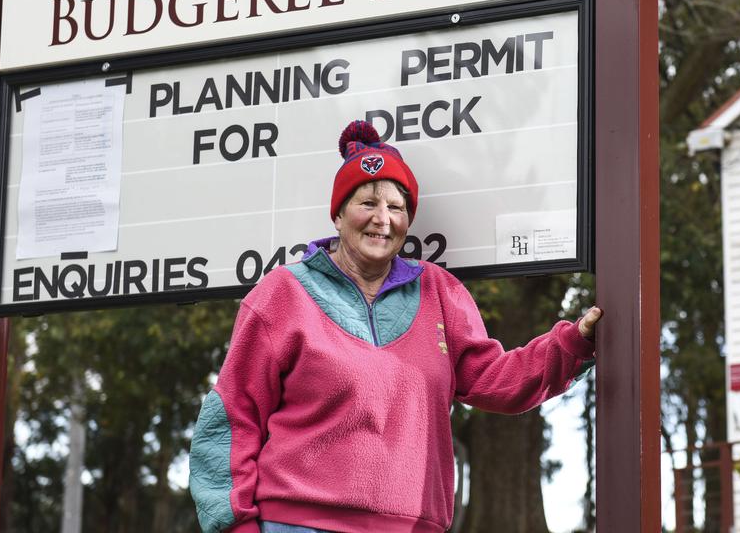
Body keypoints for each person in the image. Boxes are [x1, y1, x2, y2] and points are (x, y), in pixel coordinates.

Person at [189, 120, 602, 533]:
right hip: (297, 523)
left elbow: (496, 380)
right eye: (367, 203)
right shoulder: (283, 292)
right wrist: (235, 526)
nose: (382, 219)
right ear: (338, 213)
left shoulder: (440, 291)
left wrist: (572, 344)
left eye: (396, 207)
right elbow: (231, 419)